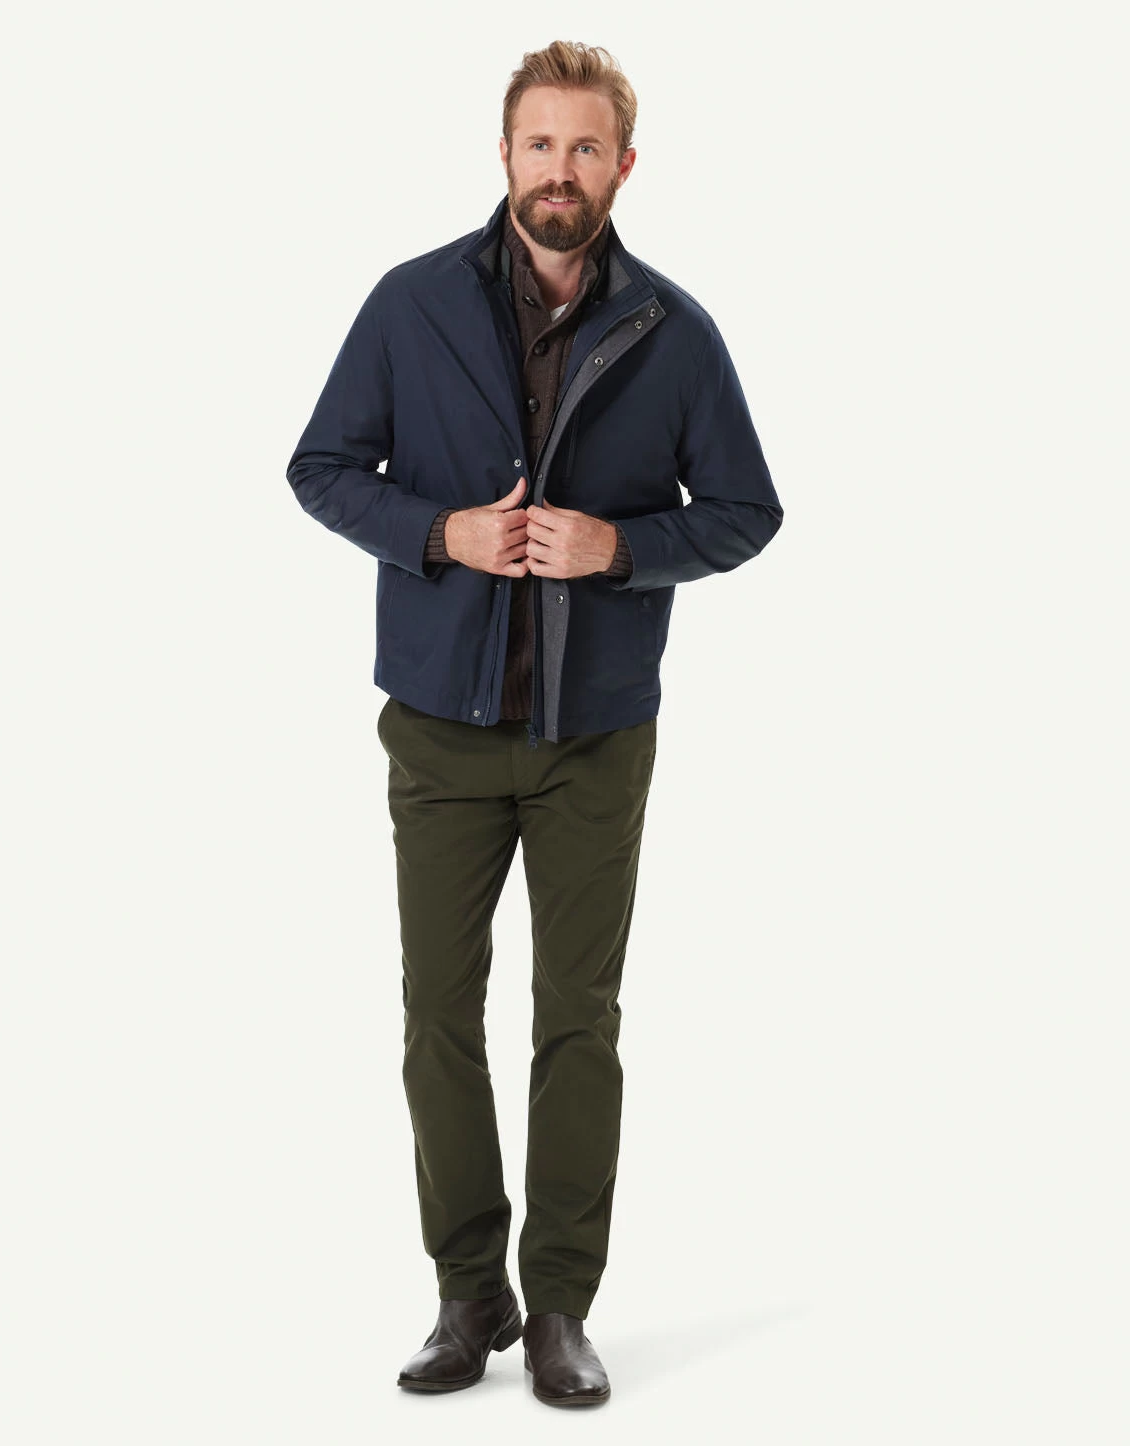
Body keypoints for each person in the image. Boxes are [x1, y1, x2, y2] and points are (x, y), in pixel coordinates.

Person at [285, 40, 783, 1407]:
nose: (560, 171)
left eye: (586, 149)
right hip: (439, 729)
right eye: (540, 144)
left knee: (578, 1018)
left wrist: (619, 549)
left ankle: (561, 1302)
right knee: (437, 1016)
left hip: (595, 737)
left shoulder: (675, 332)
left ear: (625, 166)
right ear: (503, 154)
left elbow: (747, 509)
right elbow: (320, 467)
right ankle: (469, 1293)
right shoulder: (409, 304)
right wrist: (436, 531)